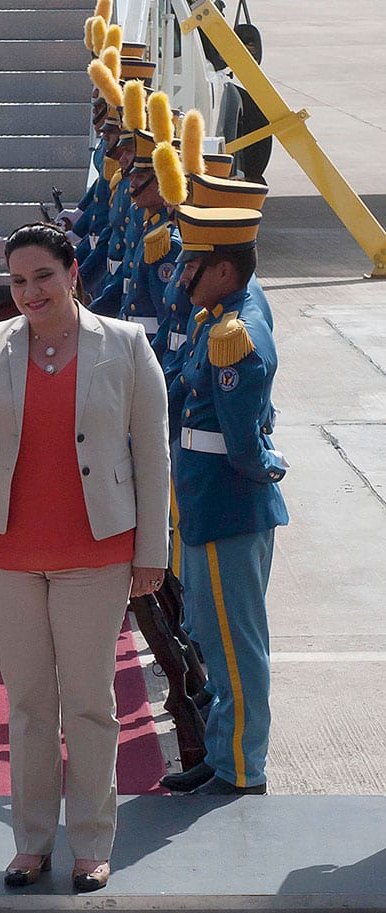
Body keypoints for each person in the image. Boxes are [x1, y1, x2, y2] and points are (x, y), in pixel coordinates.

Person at [0, 222, 169, 892]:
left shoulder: (123, 344)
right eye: (16, 281)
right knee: (31, 702)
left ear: (72, 273)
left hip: (94, 552)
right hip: (7, 552)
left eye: (42, 275)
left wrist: (152, 548)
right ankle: (32, 841)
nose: (30, 291)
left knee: (91, 700)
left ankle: (92, 842)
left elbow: (152, 454)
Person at [167, 204, 288, 795]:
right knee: (211, 637)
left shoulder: (232, 335)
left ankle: (243, 769)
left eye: (192, 262)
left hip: (227, 505)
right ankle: (222, 754)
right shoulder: (216, 316)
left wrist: (269, 463)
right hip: (203, 497)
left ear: (222, 270)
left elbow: (243, 444)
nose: (181, 272)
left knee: (236, 648)